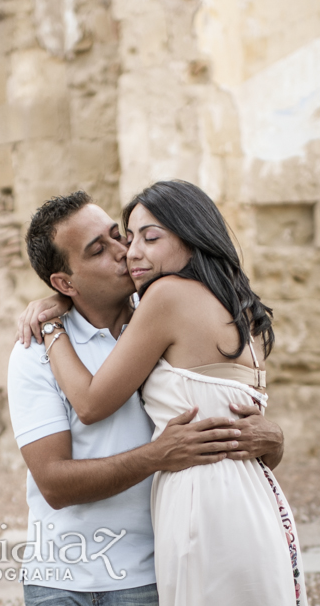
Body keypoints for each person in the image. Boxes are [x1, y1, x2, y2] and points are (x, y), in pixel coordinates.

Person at [19, 181, 306, 606]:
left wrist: (51, 325)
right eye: (128, 238)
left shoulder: (167, 297)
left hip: (203, 506)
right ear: (67, 281)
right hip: (253, 498)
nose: (130, 252)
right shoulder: (237, 306)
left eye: (147, 238)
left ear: (194, 238)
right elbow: (246, 430)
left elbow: (91, 403)